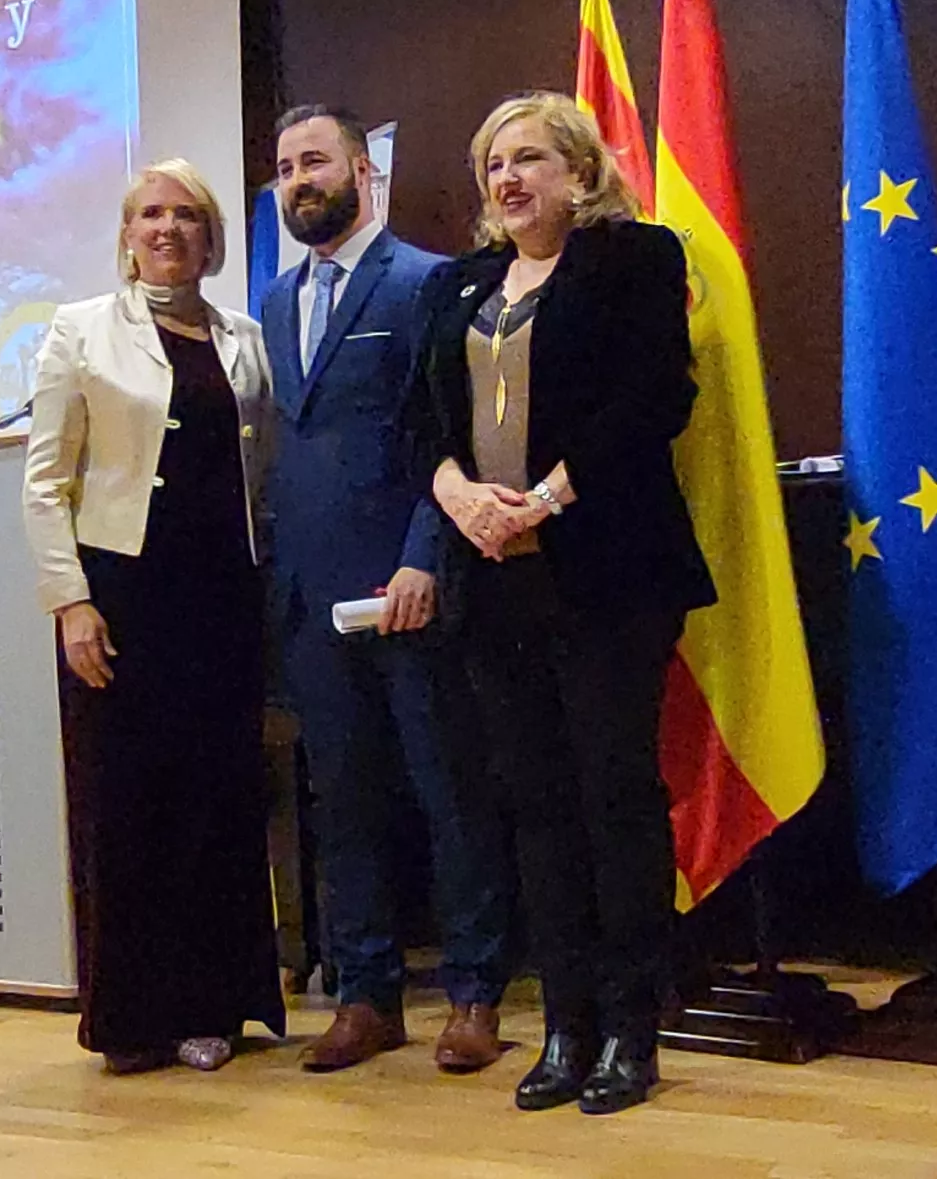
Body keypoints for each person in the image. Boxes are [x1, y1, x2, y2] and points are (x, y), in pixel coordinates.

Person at [414, 93, 717, 1116]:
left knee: (611, 797)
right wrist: (461, 498)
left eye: (528, 158)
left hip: (606, 574)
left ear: (579, 172)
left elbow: (654, 398)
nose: (507, 179)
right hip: (492, 579)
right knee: (535, 806)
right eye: (493, 164)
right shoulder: (458, 284)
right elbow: (420, 424)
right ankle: (565, 1024)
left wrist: (542, 500)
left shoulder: (634, 258)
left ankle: (631, 1029)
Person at [262, 105, 518, 1075]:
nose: (299, 180)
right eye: (285, 168)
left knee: (448, 796)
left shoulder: (425, 281)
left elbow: (448, 435)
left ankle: (474, 994)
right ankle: (364, 995)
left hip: (408, 587)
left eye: (315, 161)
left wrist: (423, 556)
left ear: (362, 171)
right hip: (310, 601)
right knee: (344, 806)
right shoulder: (273, 301)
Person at [22, 157, 284, 1074]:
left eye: (186, 215)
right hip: (121, 599)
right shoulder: (81, 330)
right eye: (149, 214)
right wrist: (70, 601)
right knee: (127, 806)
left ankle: (214, 1005)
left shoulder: (245, 338)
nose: (167, 228)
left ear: (211, 238)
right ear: (127, 236)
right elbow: (46, 482)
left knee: (217, 800)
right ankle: (132, 1018)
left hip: (222, 597)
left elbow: (262, 466)